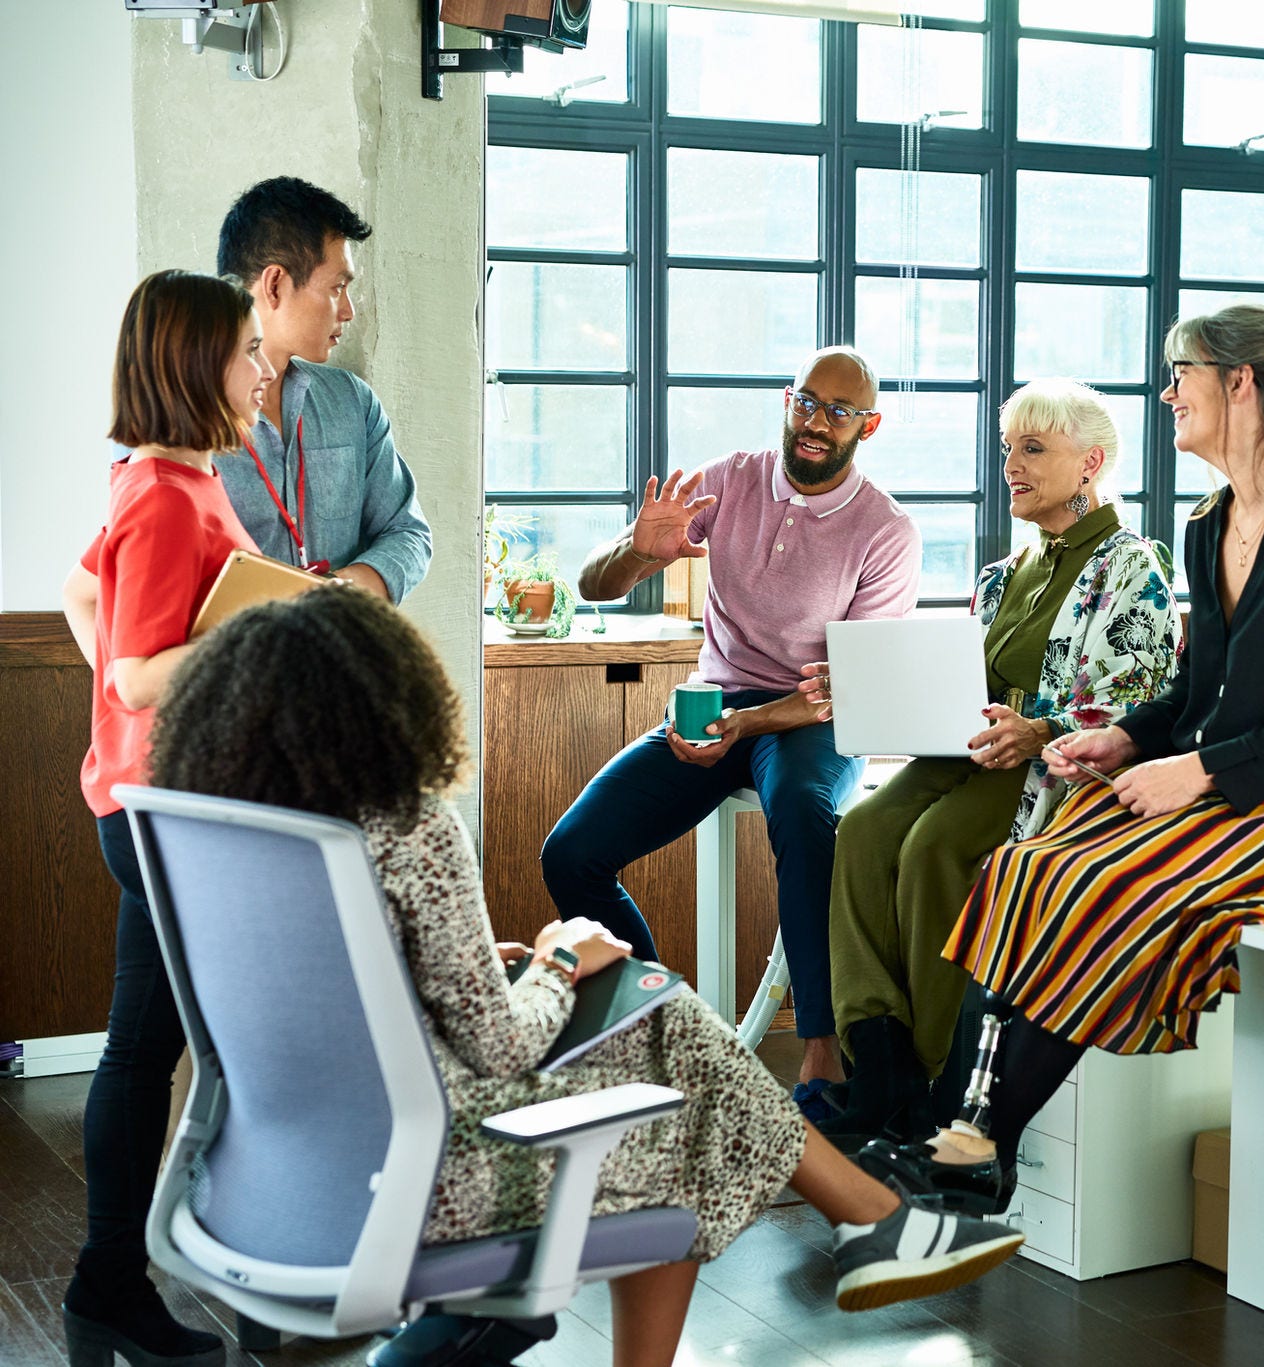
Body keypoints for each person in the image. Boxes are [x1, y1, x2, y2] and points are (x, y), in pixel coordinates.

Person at [145, 587, 1025, 1367]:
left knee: (657, 1012)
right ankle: (876, 1219)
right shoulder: (410, 827)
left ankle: (873, 1219)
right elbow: (499, 1043)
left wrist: (482, 964)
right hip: (431, 1175)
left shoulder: (230, 834)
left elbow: (335, 983)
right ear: (384, 701)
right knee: (674, 1101)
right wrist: (562, 959)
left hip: (267, 1177)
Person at [859, 304, 1264, 1213]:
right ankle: (955, 1132)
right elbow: (1203, 693)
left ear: (1239, 383)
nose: (1167, 391)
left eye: (1180, 371)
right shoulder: (1211, 524)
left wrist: (1194, 771)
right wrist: (1129, 736)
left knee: (1102, 882)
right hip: (1243, 792)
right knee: (1025, 867)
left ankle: (976, 1142)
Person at [800, 379, 1180, 1147]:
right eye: (1008, 449)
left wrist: (1040, 731)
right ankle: (878, 1068)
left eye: (1034, 449)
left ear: (1090, 463)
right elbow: (959, 682)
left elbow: (1144, 699)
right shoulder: (1005, 573)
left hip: (1047, 768)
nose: (1011, 464)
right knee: (864, 829)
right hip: (966, 751)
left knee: (932, 847)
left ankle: (940, 1085)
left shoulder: (1131, 566)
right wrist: (871, 689)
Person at [543, 347, 919, 1112]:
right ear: (787, 401)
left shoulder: (885, 530)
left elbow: (848, 691)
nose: (816, 422)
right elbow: (593, 584)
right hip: (714, 700)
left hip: (808, 717)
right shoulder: (729, 479)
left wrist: (744, 725)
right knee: (571, 854)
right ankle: (660, 1029)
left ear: (868, 426)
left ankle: (822, 1052)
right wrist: (637, 552)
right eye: (806, 402)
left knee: (808, 820)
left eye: (839, 412)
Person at [56, 269, 277, 1367]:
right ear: (196, 363)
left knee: (151, 1048)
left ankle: (126, 1283)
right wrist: (273, 622)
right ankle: (136, 1283)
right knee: (164, 1050)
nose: (261, 366)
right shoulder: (160, 491)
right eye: (246, 350)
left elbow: (84, 597)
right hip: (163, 811)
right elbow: (143, 674)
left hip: (156, 802)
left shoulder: (162, 478)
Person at [77, 176, 432, 611]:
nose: (348, 310)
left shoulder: (353, 403)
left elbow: (409, 534)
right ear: (276, 284)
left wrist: (332, 596)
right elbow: (99, 596)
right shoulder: (172, 427)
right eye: (337, 287)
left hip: (342, 666)